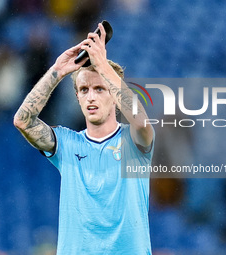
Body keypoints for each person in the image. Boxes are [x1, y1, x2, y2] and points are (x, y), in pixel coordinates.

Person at [13, 23, 155, 254]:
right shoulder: (67, 144)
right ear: (77, 97)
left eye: (100, 89)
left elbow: (141, 122)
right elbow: (23, 121)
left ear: (114, 95)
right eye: (84, 90)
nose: (91, 97)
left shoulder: (134, 141)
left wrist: (102, 66)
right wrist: (57, 71)